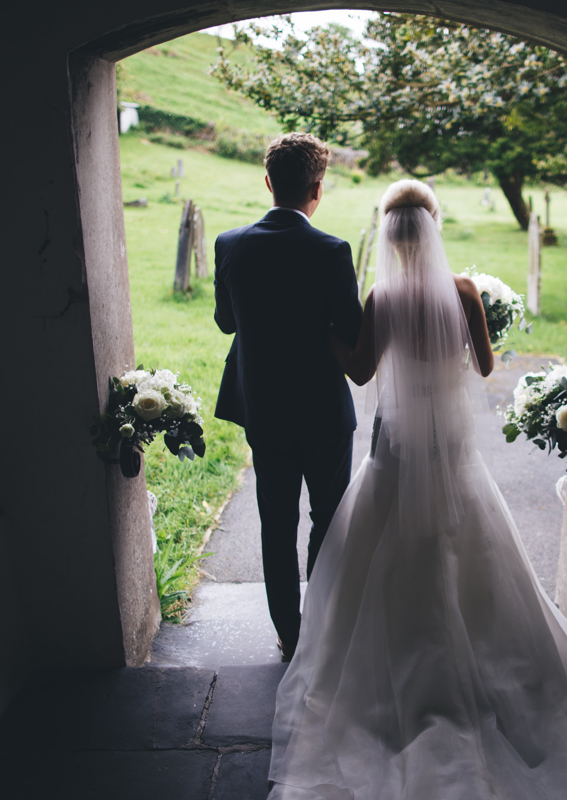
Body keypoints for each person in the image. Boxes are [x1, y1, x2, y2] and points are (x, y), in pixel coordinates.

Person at [267, 179, 567, 799]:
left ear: (390, 236)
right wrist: (466, 330)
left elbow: (359, 370)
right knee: (468, 544)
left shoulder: (382, 295)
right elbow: (486, 367)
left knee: (385, 548)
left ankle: (393, 668)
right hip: (451, 450)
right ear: (433, 226)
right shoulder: (462, 291)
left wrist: (326, 332)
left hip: (398, 449)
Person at [213, 133, 363, 663]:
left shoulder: (230, 245)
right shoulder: (332, 251)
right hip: (324, 412)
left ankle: (289, 633)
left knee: (276, 522)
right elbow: (352, 333)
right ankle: (322, 624)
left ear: (270, 182)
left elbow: (226, 321)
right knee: (329, 518)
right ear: (316, 190)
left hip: (266, 410)